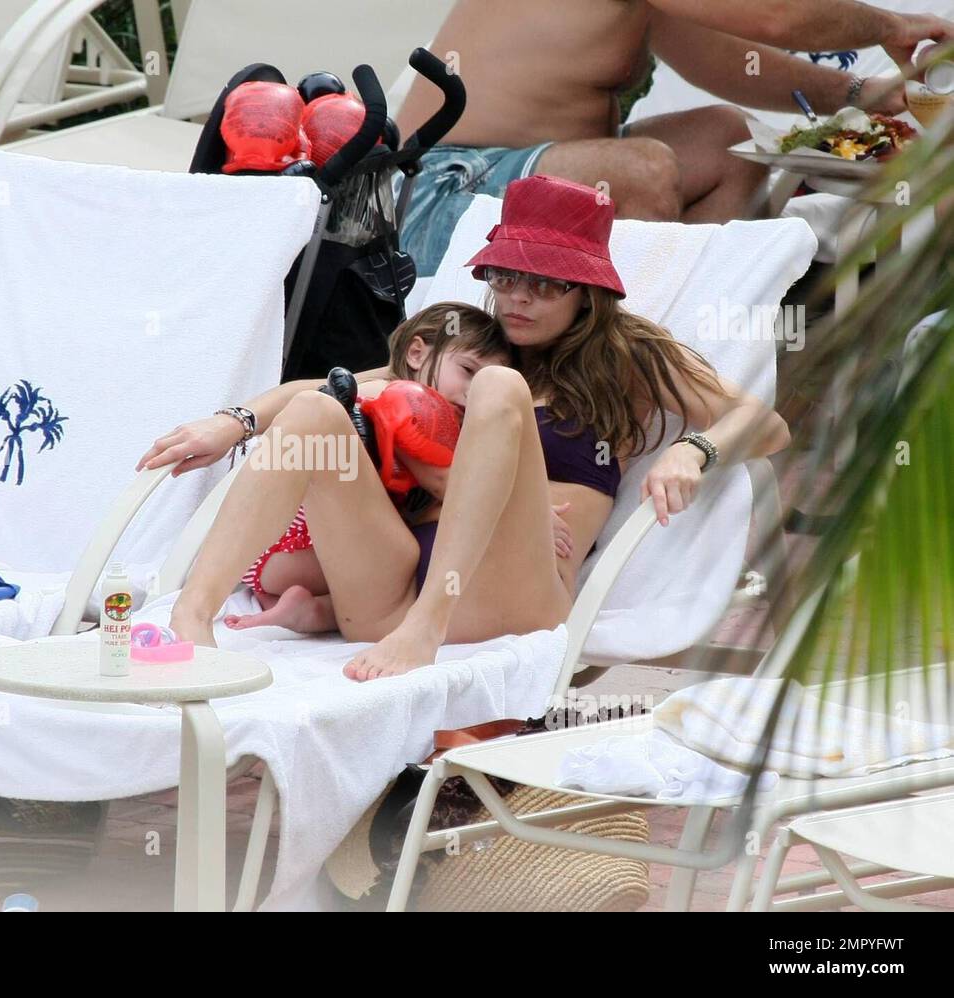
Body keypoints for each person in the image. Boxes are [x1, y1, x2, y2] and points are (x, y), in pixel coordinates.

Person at [138, 176, 791, 680]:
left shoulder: (626, 357)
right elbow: (331, 388)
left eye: (543, 284)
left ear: (587, 293)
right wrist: (233, 422)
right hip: (385, 595)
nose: (517, 298)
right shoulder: (474, 344)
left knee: (498, 390)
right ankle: (191, 615)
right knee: (317, 415)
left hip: (508, 599)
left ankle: (427, 628)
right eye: (506, 277)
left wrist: (695, 451)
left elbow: (763, 424)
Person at [397, 0, 954, 274]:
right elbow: (776, 17)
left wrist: (861, 93)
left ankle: (686, 342)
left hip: (522, 179)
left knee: (728, 140)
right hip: (438, 196)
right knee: (645, 170)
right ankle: (631, 372)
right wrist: (893, 27)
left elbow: (723, 60)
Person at [226, 301, 576, 636]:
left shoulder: (426, 413)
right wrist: (530, 513)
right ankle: (303, 608)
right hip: (290, 551)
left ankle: (307, 611)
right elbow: (454, 489)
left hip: (295, 560)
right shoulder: (401, 403)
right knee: (394, 562)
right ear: (416, 353)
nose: (472, 393)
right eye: (467, 371)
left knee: (372, 578)